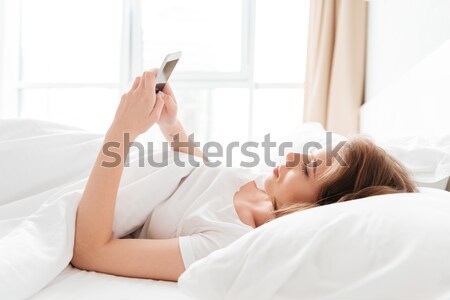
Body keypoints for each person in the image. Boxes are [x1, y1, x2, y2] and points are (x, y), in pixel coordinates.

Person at [71, 69, 418, 282]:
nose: (293, 155)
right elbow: (201, 175)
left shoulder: (229, 243)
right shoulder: (267, 188)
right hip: (118, 163)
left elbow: (91, 251)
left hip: (93, 183)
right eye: (311, 154)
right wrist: (171, 124)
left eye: (309, 167)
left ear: (319, 210)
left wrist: (121, 131)